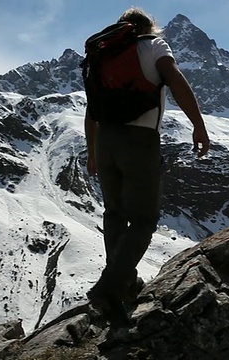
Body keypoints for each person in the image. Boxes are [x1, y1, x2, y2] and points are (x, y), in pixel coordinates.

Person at [84, 7, 210, 326]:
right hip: (139, 141)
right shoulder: (153, 45)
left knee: (114, 213)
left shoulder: (104, 55)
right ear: (147, 28)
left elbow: (92, 106)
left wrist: (92, 151)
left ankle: (124, 285)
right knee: (143, 219)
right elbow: (175, 79)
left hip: (105, 138)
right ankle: (109, 288)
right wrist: (198, 124)